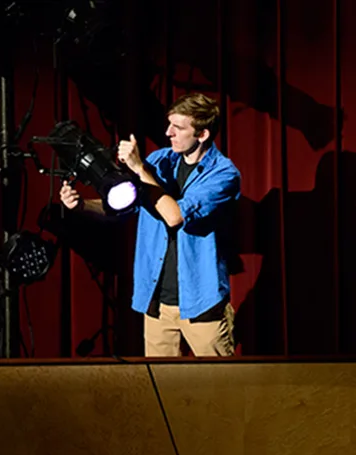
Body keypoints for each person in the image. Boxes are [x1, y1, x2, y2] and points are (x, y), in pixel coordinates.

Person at [60, 92, 241, 356]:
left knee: (216, 389)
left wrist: (141, 169)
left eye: (178, 128)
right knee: (162, 389)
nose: (168, 133)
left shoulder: (223, 173)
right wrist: (82, 205)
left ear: (202, 134)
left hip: (201, 302)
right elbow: (125, 204)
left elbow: (175, 216)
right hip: (158, 303)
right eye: (169, 124)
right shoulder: (160, 160)